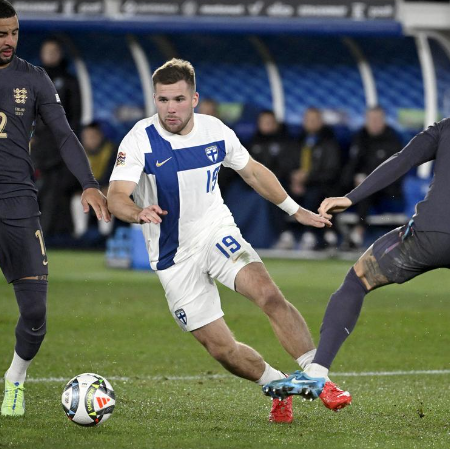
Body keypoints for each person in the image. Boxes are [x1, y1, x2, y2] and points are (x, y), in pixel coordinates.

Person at [107, 58, 350, 423]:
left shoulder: (215, 130)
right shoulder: (140, 139)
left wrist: (294, 209)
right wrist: (136, 212)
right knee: (221, 349)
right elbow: (116, 196)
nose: (170, 108)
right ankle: (279, 385)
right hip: (174, 257)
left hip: (215, 232)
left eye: (178, 99)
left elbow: (251, 171)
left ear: (194, 99)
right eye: (162, 100)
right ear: (153, 99)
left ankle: (319, 378)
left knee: (268, 294)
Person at [263, 118, 450, 404]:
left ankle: (317, 371)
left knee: (357, 280)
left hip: (428, 234)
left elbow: (401, 161)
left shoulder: (445, 128)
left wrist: (351, 198)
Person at [0, 1, 110, 416]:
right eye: (0, 34)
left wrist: (89, 185)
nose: (8, 41)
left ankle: (15, 379)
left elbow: (64, 136)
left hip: (18, 204)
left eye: (13, 32)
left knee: (34, 311)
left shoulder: (34, 78)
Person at [32, 37, 82, 239]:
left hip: (60, 143)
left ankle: (50, 234)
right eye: (47, 51)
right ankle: (30, 231)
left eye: (54, 51)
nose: (50, 55)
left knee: (56, 189)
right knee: (35, 187)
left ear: (60, 54)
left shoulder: (69, 81)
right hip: (38, 144)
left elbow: (76, 114)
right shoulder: (32, 79)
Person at [341, 106, 403, 248]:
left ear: (384, 121)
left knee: (367, 190)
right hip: (358, 183)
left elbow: (393, 170)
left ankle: (358, 233)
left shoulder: (392, 140)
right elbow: (352, 164)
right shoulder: (359, 137)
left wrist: (368, 180)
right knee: (333, 187)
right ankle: (327, 234)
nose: (374, 123)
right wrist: (351, 179)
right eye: (371, 119)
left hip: (386, 188)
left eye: (377, 119)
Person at [289, 107, 341, 250]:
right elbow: (288, 164)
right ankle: (285, 234)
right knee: (276, 190)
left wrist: (308, 178)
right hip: (298, 185)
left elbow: (332, 171)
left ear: (321, 122)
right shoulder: (297, 141)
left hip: (321, 185)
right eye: (308, 120)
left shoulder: (329, 142)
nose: (311, 123)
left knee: (314, 194)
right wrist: (294, 179)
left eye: (314, 120)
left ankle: (311, 234)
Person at [71, 122, 117, 239]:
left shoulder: (112, 150)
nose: (90, 140)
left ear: (100, 136)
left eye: (93, 137)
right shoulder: (78, 151)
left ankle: (105, 235)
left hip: (106, 188)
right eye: (86, 137)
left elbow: (115, 173)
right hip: (86, 189)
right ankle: (80, 234)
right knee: (78, 199)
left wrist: (106, 187)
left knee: (107, 198)